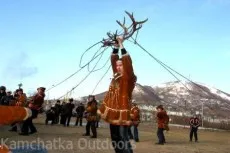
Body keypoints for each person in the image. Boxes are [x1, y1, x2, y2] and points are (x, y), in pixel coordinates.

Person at [97, 36, 137, 153]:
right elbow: (114, 60)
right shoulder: (117, 75)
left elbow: (127, 62)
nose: (118, 67)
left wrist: (121, 44)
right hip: (113, 112)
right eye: (117, 65)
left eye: (121, 65)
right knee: (115, 138)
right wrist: (115, 47)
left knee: (123, 139)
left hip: (122, 113)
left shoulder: (128, 77)